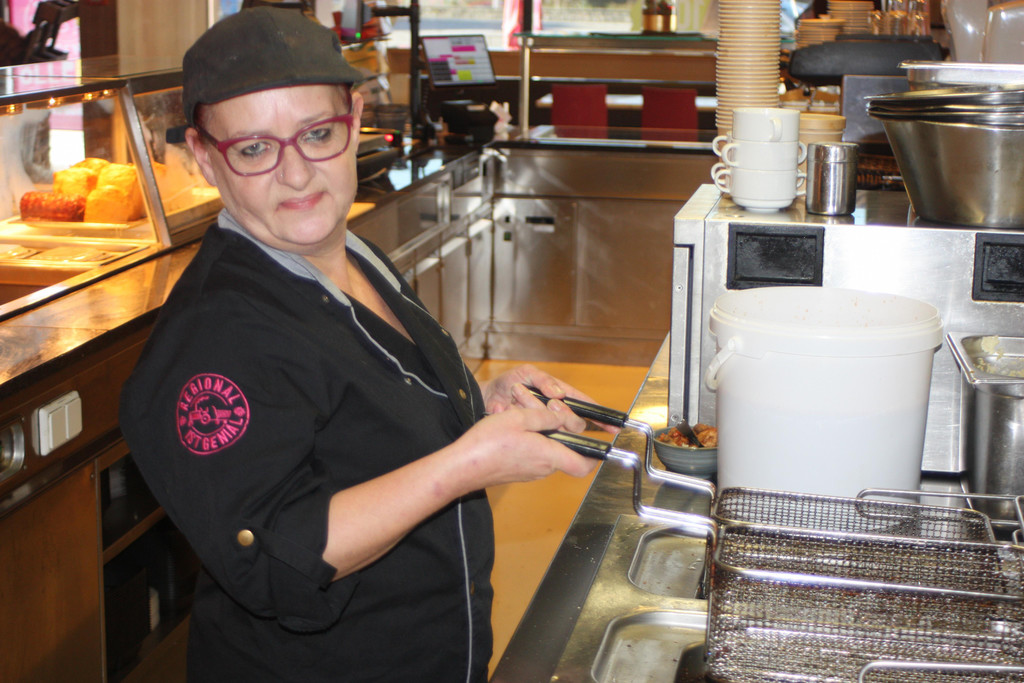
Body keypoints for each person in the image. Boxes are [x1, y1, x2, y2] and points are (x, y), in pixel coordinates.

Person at [118, 7, 606, 682]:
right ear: (205, 156)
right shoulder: (216, 335)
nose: (296, 176)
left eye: (317, 134)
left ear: (354, 119)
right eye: (254, 149)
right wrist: (464, 464)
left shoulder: (349, 252)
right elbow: (273, 555)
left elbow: (368, 414)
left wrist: (476, 402)